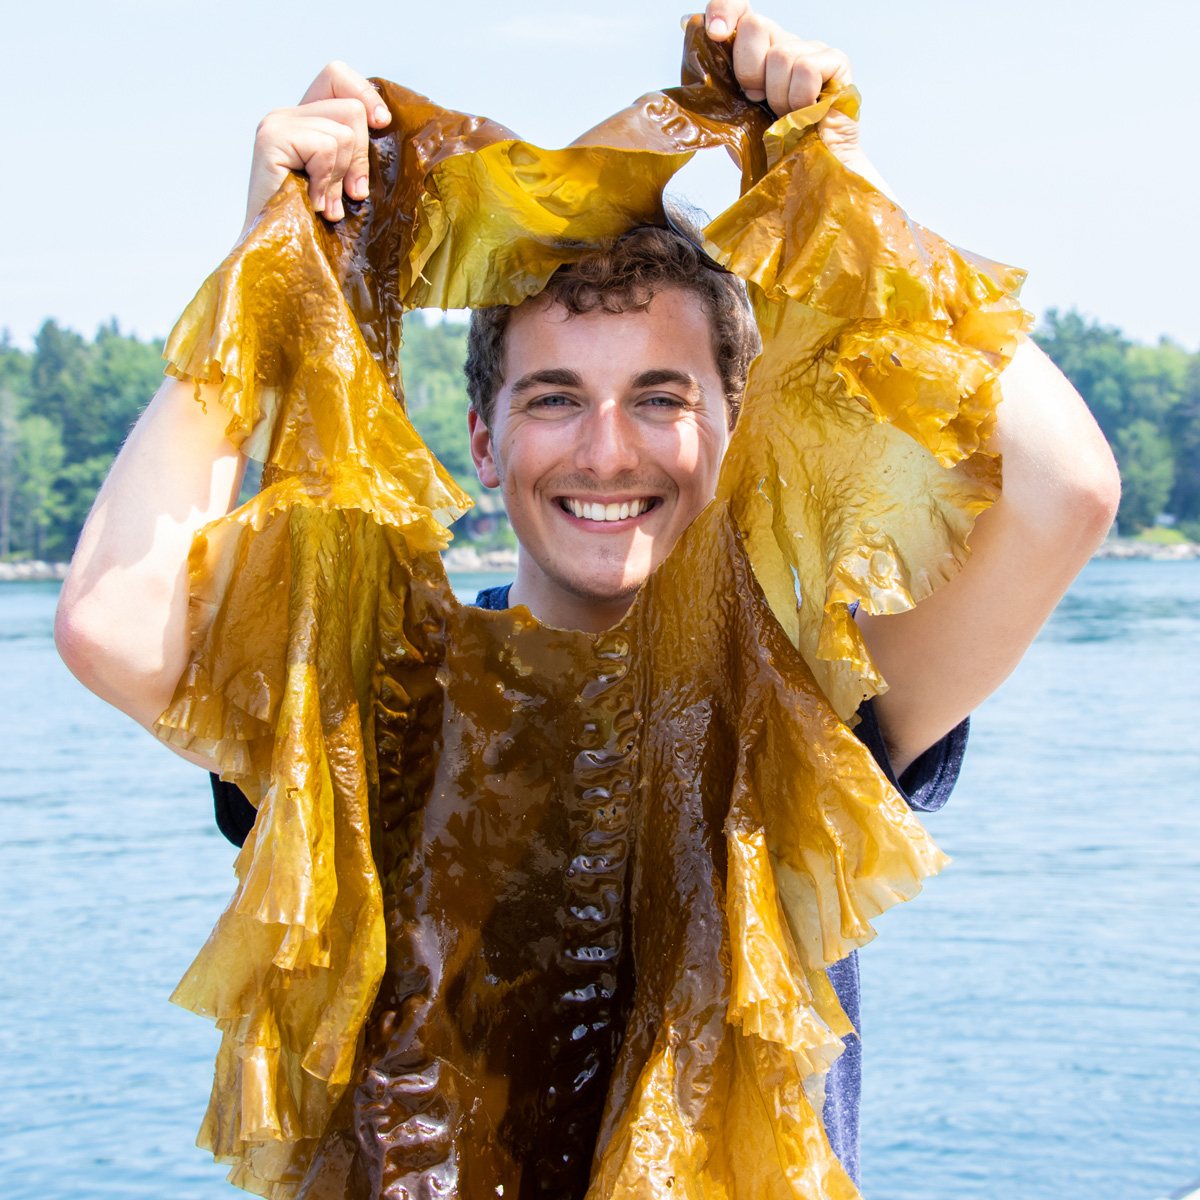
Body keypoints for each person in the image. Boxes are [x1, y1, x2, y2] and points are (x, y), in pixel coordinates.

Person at [54, 0, 1120, 1190]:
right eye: (555, 397)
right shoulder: (371, 705)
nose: (608, 451)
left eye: (662, 396)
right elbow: (113, 623)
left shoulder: (811, 692)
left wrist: (834, 187)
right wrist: (271, 261)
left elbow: (1064, 490)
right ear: (484, 436)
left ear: (734, 419)